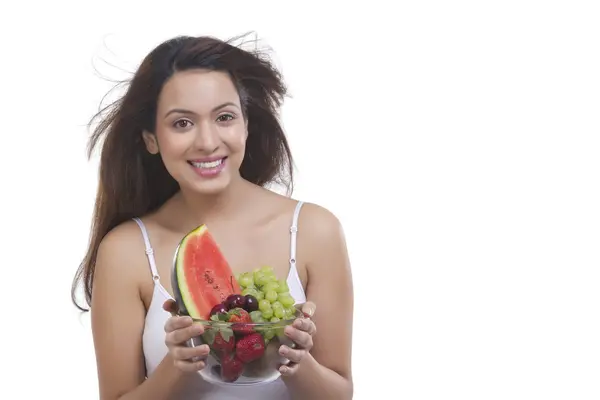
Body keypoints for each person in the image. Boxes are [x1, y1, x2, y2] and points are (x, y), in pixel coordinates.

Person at [71, 34, 354, 400]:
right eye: (182, 124)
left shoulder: (315, 231)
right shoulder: (125, 251)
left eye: (224, 117)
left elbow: (340, 393)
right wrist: (181, 365)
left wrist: (298, 361)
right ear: (151, 139)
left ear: (246, 124)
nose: (207, 141)